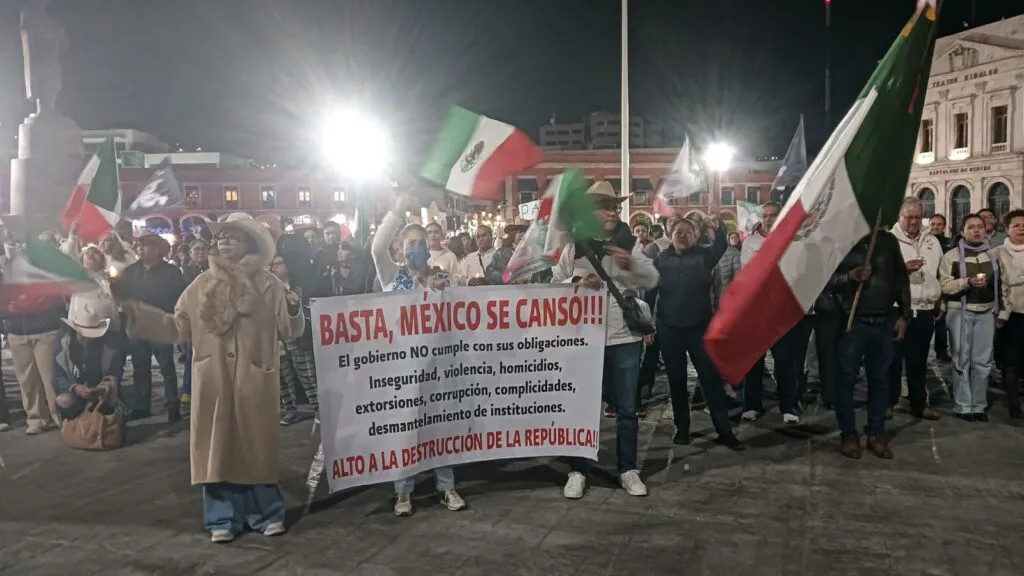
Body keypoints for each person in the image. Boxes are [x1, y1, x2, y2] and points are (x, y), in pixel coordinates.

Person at [120, 213, 304, 543]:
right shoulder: (201, 285)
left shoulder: (269, 284)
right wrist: (138, 315)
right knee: (215, 450)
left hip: (254, 379)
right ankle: (222, 517)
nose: (225, 242)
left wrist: (293, 308)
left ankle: (266, 513)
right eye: (221, 238)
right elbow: (178, 327)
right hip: (213, 379)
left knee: (256, 448)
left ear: (250, 244)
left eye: (233, 237)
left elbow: (288, 330)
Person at [552, 181, 659, 499]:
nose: (613, 211)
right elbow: (554, 283)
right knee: (583, 408)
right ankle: (578, 469)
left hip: (624, 338)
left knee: (627, 408)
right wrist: (576, 281)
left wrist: (633, 264)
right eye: (606, 206)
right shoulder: (575, 247)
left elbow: (652, 278)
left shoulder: (628, 244)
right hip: (585, 339)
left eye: (615, 206)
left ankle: (628, 469)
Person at [371, 195, 467, 516]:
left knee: (439, 425)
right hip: (402, 367)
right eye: (410, 243)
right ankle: (403, 491)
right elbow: (375, 247)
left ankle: (446, 485)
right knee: (405, 427)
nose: (416, 248)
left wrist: (448, 291)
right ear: (400, 248)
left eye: (421, 243)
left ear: (430, 247)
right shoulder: (391, 276)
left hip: (438, 366)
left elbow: (457, 316)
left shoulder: (440, 277)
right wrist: (397, 210)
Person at [650, 216, 746, 448]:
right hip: (669, 328)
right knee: (676, 380)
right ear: (670, 236)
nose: (682, 236)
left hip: (699, 328)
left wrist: (717, 226)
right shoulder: (660, 259)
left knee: (711, 380)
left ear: (696, 236)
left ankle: (724, 431)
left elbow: (721, 246)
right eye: (678, 232)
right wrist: (648, 325)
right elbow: (650, 291)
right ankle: (682, 429)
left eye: (688, 232)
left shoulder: (704, 256)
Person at [832, 225, 909, 459]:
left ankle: (875, 434)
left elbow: (901, 280)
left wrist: (905, 315)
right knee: (846, 380)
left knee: (879, 380)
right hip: (852, 322)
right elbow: (828, 280)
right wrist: (852, 276)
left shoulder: (888, 241)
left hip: (883, 322)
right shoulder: (844, 239)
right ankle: (848, 435)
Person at [939, 213, 1000, 422]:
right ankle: (964, 405)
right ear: (962, 231)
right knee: (961, 360)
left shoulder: (993, 255)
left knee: (982, 361)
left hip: (986, 312)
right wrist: (966, 282)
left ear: (986, 230)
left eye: (980, 227)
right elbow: (945, 286)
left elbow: (1002, 285)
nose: (976, 231)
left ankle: (979, 405)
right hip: (959, 312)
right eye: (971, 227)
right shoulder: (951, 256)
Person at [120, 232, 185, 422]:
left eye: (146, 245)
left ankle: (172, 404)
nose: (141, 249)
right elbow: (125, 296)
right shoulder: (131, 271)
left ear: (157, 249)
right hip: (138, 325)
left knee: (166, 367)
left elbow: (177, 296)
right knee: (140, 367)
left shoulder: (171, 272)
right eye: (139, 245)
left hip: (160, 324)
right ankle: (142, 406)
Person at [888, 197, 942, 421]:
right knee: (891, 360)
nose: (913, 222)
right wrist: (903, 270)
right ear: (899, 217)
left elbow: (938, 272)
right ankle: (887, 403)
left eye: (917, 217)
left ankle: (919, 403)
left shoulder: (932, 241)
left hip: (925, 308)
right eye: (908, 217)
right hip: (897, 309)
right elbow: (881, 275)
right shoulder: (889, 240)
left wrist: (939, 300)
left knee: (919, 360)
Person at [52, 297, 126, 428]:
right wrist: (74, 388)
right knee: (62, 400)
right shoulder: (63, 346)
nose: (87, 339)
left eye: (91, 335)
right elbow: (58, 377)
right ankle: (74, 424)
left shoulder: (109, 347)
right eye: (83, 335)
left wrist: (100, 389)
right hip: (76, 394)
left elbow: (115, 374)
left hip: (102, 395)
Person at [996, 209, 1024, 419]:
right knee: (1010, 361)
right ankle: (1014, 405)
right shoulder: (998, 253)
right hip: (1009, 314)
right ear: (1006, 229)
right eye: (1016, 225)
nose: (1021, 229)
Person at [180, 239, 210, 411]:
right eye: (196, 249)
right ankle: (188, 391)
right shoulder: (184, 272)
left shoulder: (214, 270)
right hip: (193, 320)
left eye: (204, 249)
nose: (200, 252)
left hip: (212, 320)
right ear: (190, 253)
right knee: (192, 356)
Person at [930, 214, 954, 362]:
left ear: (944, 227)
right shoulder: (925, 241)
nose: (935, 227)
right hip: (929, 284)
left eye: (939, 224)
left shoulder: (949, 243)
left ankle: (941, 350)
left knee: (941, 320)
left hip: (943, 283)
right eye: (933, 224)